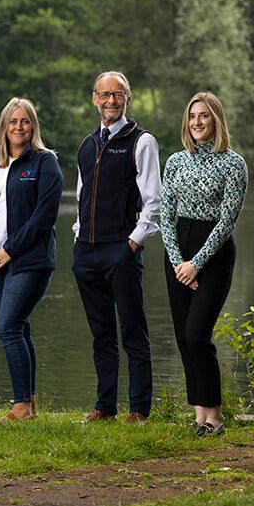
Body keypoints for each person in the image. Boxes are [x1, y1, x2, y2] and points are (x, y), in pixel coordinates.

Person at [0, 98, 63, 421]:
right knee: (19, 329)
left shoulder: (45, 163)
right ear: (4, 126)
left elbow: (42, 218)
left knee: (7, 327)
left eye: (25, 121)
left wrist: (9, 250)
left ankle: (20, 405)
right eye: (13, 121)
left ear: (33, 126)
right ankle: (30, 405)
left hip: (28, 261)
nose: (18, 127)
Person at [72, 71, 161, 424]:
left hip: (121, 249)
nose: (111, 101)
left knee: (133, 331)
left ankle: (139, 409)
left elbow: (153, 202)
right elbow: (82, 197)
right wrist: (79, 237)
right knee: (101, 333)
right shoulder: (87, 144)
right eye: (104, 95)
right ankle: (104, 406)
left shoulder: (141, 141)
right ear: (95, 98)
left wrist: (133, 243)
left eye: (118, 95)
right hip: (87, 251)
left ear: (128, 98)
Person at [161, 92, 247, 437]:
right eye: (192, 116)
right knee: (184, 337)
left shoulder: (233, 164)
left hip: (214, 252)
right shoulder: (176, 161)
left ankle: (216, 417)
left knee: (198, 334)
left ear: (217, 121)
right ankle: (199, 418)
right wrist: (178, 261)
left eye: (204, 116)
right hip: (178, 250)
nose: (197, 122)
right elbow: (165, 215)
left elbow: (227, 221)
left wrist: (196, 264)